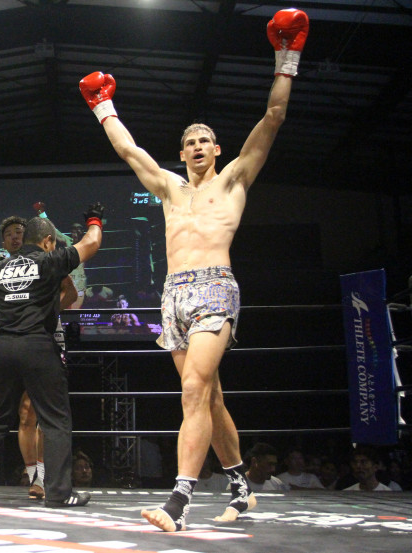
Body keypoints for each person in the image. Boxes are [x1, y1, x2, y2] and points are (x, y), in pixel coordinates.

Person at [79, 7, 309, 531]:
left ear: (218, 149)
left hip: (215, 291)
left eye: (205, 140)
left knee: (193, 391)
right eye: (190, 142)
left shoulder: (234, 180)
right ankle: (241, 488)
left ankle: (178, 502)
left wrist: (287, 55)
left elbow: (273, 117)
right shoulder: (168, 187)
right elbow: (128, 150)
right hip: (173, 296)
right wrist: (103, 105)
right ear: (181, 152)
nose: (198, 146)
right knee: (210, 395)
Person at [0, 204, 104, 507]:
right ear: (47, 241)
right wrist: (94, 219)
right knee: (55, 420)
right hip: (37, 345)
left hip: (5, 347)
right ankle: (59, 493)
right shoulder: (50, 261)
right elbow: (91, 243)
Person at [0, 215, 78, 500]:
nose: (15, 237)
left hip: (43, 338)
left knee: (43, 410)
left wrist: (45, 312)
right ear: (3, 241)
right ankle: (35, 477)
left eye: (19, 232)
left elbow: (71, 292)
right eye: (10, 233)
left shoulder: (45, 261)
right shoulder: (0, 268)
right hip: (15, 339)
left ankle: (48, 478)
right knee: (24, 413)